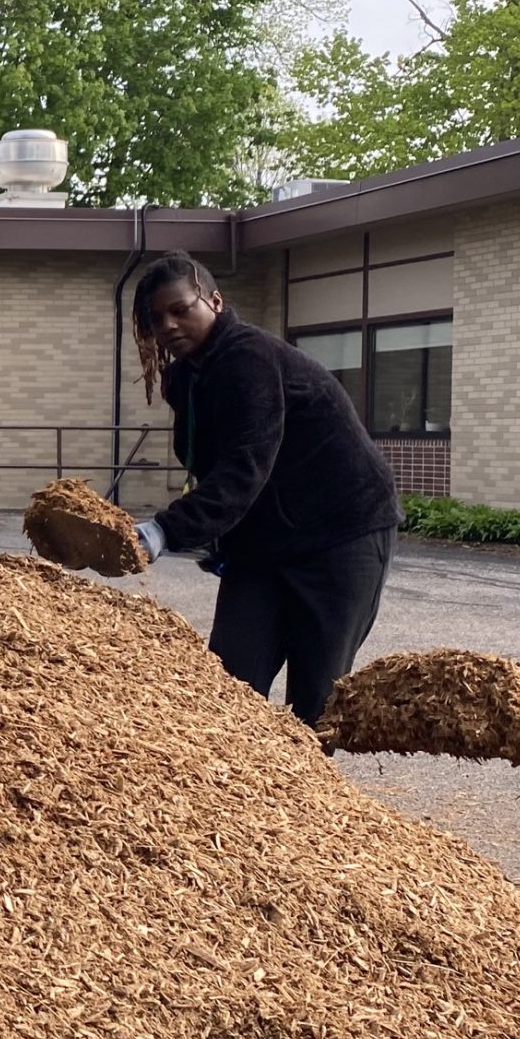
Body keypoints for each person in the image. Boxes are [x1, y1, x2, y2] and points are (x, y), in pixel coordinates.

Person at [131, 253, 402, 724]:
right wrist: (219, 535)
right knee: (228, 687)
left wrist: (164, 531)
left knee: (314, 703)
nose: (168, 326)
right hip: (266, 545)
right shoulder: (188, 377)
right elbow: (214, 465)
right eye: (156, 319)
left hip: (341, 536)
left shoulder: (248, 358)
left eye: (180, 309)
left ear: (214, 301)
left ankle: (307, 774)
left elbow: (245, 466)